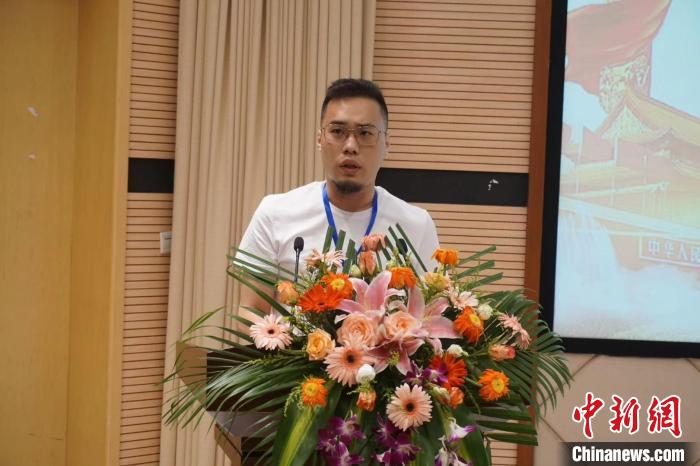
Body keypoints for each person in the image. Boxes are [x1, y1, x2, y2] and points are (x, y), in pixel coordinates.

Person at [237, 78, 439, 314]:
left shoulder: (416, 224)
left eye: (365, 133)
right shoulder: (274, 213)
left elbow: (432, 313)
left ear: (386, 143)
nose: (350, 146)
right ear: (319, 140)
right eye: (337, 131)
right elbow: (251, 309)